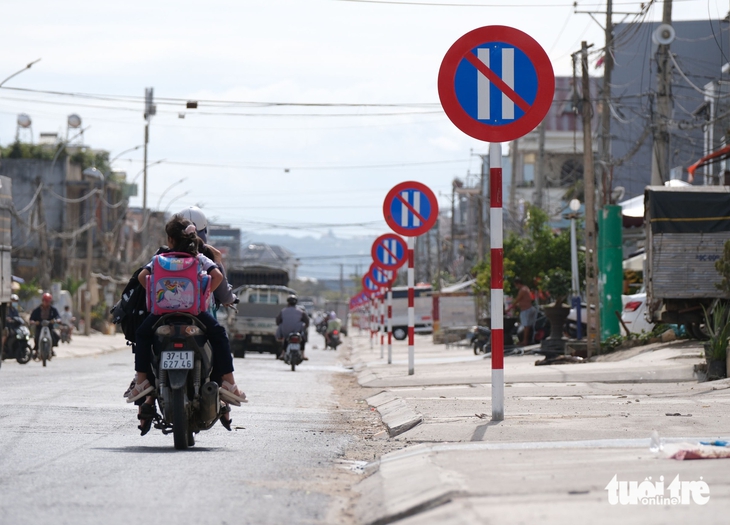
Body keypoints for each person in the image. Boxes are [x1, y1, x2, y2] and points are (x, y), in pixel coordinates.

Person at [125, 215, 245, 434]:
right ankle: (228, 381)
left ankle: (142, 380)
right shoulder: (199, 258)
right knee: (219, 335)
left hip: (162, 314)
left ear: (170, 240)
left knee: (142, 335)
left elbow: (143, 276)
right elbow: (217, 276)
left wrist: (154, 292)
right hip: (194, 313)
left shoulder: (160, 258)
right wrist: (203, 294)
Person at [276, 295, 310, 360]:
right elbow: (307, 321)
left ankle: (283, 354)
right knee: (302, 339)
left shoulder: (283, 311)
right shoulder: (301, 311)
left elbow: (278, 321)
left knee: (286, 339)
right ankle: (303, 354)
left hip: (286, 331)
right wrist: (305, 327)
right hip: (298, 331)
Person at [507, 277, 537, 346]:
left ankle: (525, 341)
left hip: (526, 310)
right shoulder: (526, 288)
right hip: (529, 308)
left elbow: (517, 300)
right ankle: (528, 340)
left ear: (517, 284)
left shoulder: (522, 290)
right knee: (529, 326)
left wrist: (509, 309)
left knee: (526, 326)